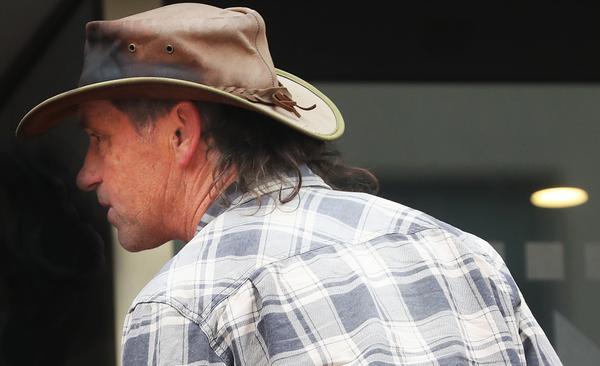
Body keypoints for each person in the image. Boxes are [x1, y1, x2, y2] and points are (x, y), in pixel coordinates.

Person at [16, 3, 562, 365]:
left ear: (181, 132)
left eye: (99, 139)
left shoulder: (184, 305)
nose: (86, 173)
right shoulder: (462, 254)